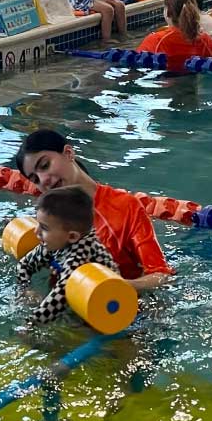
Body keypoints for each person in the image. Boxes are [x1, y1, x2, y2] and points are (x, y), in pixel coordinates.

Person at [13, 129, 172, 292]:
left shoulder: (125, 207)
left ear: (68, 153)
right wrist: (26, 292)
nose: (44, 180)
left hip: (123, 308)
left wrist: (112, 287)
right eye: (35, 179)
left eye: (45, 165)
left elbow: (161, 275)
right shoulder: (50, 219)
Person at [14, 186, 123, 324]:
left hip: (107, 308)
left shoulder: (80, 254)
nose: (36, 232)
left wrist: (31, 324)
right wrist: (25, 289)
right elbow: (24, 264)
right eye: (38, 224)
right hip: (81, 298)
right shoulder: (55, 242)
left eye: (44, 228)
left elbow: (61, 295)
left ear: (72, 236)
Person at [137, 0, 212, 71]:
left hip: (165, 80)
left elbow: (137, 62)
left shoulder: (156, 41)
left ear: (168, 12)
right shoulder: (205, 40)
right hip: (196, 81)